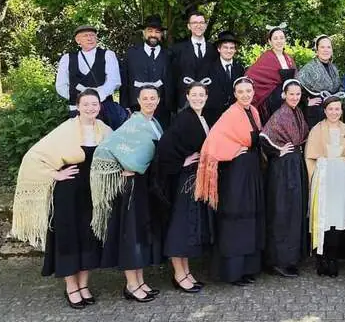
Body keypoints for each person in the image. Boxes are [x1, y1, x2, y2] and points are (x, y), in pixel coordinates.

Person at [12, 89, 112, 309]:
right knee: (69, 237)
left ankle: (84, 285)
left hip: (92, 192)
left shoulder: (105, 130)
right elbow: (34, 156)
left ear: (100, 106)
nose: (90, 108)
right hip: (68, 192)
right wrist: (55, 174)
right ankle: (71, 288)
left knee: (89, 237)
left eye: (94, 104)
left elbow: (116, 155)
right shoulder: (65, 130)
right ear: (78, 106)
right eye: (86, 104)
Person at [90, 85, 165, 303]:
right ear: (139, 101)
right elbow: (107, 147)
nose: (150, 101)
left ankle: (140, 281)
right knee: (131, 234)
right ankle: (131, 285)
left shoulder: (155, 123)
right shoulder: (133, 123)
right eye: (146, 98)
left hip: (145, 185)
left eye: (153, 98)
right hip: (131, 185)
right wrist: (121, 168)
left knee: (141, 234)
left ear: (158, 100)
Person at [195, 77, 265, 286]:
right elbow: (213, 141)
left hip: (251, 170)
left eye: (248, 91)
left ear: (253, 92)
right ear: (235, 94)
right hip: (236, 173)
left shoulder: (253, 110)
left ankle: (248, 268)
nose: (245, 95)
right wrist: (234, 150)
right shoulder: (230, 114)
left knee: (251, 217)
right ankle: (233, 273)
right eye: (241, 91)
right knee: (236, 218)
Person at [157, 80, 214, 294]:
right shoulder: (183, 119)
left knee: (189, 224)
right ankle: (179, 275)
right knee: (180, 227)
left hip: (194, 178)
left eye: (202, 95)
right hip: (184, 180)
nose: (198, 98)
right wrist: (182, 162)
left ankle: (186, 272)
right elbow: (164, 147)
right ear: (187, 96)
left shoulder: (199, 117)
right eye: (194, 95)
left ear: (206, 97)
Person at [259, 79, 310, 277]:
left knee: (293, 210)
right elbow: (264, 138)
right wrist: (278, 151)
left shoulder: (297, 112)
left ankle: (290, 257)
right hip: (283, 168)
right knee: (282, 211)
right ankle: (278, 261)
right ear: (283, 95)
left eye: (298, 94)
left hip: (295, 164)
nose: (295, 97)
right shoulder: (280, 114)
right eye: (291, 94)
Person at [305, 94, 345, 277]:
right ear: (324, 111)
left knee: (337, 219)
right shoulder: (317, 130)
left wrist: (343, 172)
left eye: (337, 109)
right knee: (323, 218)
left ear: (341, 111)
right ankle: (322, 258)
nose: (334, 112)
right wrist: (317, 175)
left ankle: (333, 258)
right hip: (323, 177)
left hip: (340, 178)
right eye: (330, 109)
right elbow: (310, 157)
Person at [55, 24, 125, 129]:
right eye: (85, 35)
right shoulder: (67, 58)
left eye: (92, 35)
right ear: (78, 40)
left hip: (104, 107)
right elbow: (61, 86)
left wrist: (98, 97)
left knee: (106, 139)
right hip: (78, 109)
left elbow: (114, 81)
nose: (89, 38)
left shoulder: (108, 55)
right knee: (80, 142)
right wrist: (80, 100)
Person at [119, 14, 174, 129]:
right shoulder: (131, 53)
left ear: (162, 34)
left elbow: (173, 82)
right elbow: (125, 80)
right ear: (143, 32)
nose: (153, 35)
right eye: (150, 31)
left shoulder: (169, 54)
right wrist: (125, 106)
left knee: (161, 140)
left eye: (157, 32)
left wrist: (172, 107)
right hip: (136, 107)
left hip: (162, 109)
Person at [245, 24, 296, 123]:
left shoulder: (289, 58)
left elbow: (295, 79)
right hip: (273, 102)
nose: (279, 41)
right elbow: (250, 75)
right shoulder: (266, 58)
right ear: (270, 41)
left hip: (290, 99)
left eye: (281, 38)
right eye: (275, 38)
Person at [170, 11, 218, 111]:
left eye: (201, 23)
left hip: (208, 102)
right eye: (195, 23)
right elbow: (173, 77)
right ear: (189, 26)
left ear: (205, 25)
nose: (198, 25)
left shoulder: (214, 49)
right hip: (184, 102)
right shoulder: (177, 49)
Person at [297, 34, 342, 128]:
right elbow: (296, 88)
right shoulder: (308, 68)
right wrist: (306, 101)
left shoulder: (334, 68)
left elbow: (338, 88)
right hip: (316, 113)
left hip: (333, 112)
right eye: (322, 47)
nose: (326, 50)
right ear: (317, 50)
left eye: (328, 47)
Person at [205, 31, 246, 126]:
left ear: (235, 50)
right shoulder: (208, 68)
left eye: (232, 48)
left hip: (235, 116)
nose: (229, 51)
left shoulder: (240, 68)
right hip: (214, 117)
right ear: (219, 49)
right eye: (225, 47)